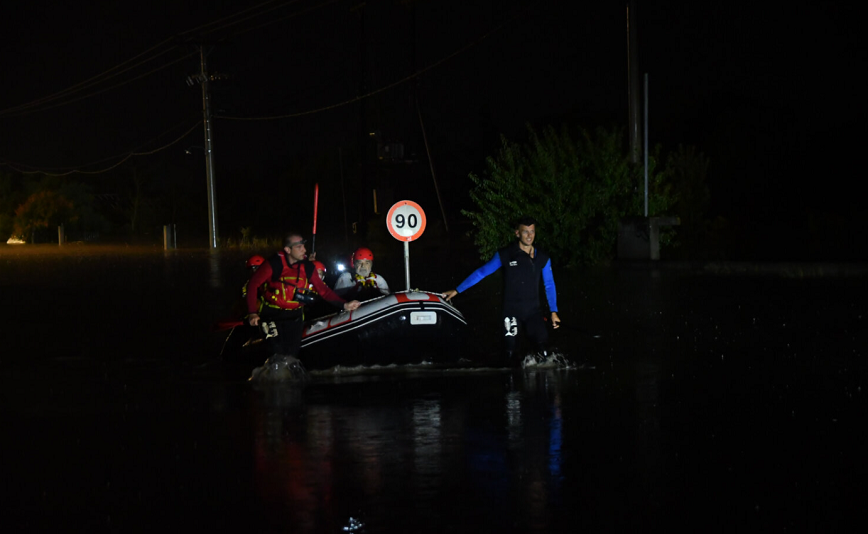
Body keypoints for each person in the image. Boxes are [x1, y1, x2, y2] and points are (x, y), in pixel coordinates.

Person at [442, 216, 560, 364]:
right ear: (517, 233)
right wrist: (458, 290)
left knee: (543, 352)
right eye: (525, 232)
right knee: (509, 355)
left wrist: (553, 311)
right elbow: (482, 272)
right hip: (511, 312)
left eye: (532, 231)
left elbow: (549, 284)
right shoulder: (506, 254)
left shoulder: (542, 257)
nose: (529, 236)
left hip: (533, 312)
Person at [246, 233, 361, 359]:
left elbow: (323, 290)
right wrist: (252, 312)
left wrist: (344, 304)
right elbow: (252, 285)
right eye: (299, 247)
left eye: (304, 246)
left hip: (295, 316)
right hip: (271, 314)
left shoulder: (307, 267)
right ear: (287, 250)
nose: (304, 250)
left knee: (291, 356)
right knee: (276, 354)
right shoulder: (273, 264)